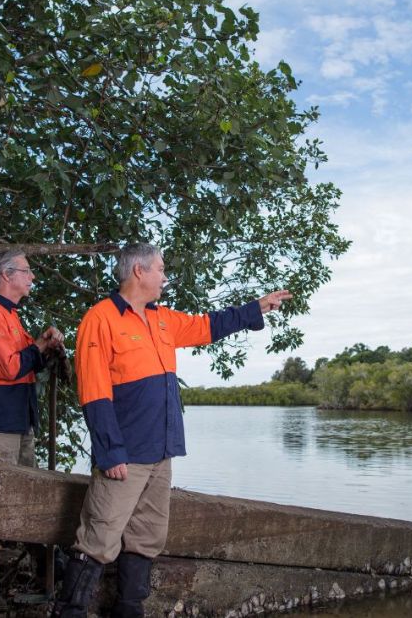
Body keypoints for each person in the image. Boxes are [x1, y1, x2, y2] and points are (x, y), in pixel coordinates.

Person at [52, 243, 292, 618]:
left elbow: (208, 325)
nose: (165, 277)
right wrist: (110, 451)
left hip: (161, 449)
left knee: (148, 536)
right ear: (139, 272)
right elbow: (94, 392)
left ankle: (129, 610)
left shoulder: (163, 319)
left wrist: (255, 308)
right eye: (160, 269)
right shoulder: (100, 318)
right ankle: (69, 611)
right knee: (99, 536)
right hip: (125, 453)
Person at [0, 249, 64, 595]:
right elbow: (9, 367)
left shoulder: (10, 316)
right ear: (6, 276)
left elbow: (24, 365)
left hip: (19, 422)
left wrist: (44, 348)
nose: (32, 277)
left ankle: (43, 567)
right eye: (26, 271)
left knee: (29, 495)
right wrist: (38, 344)